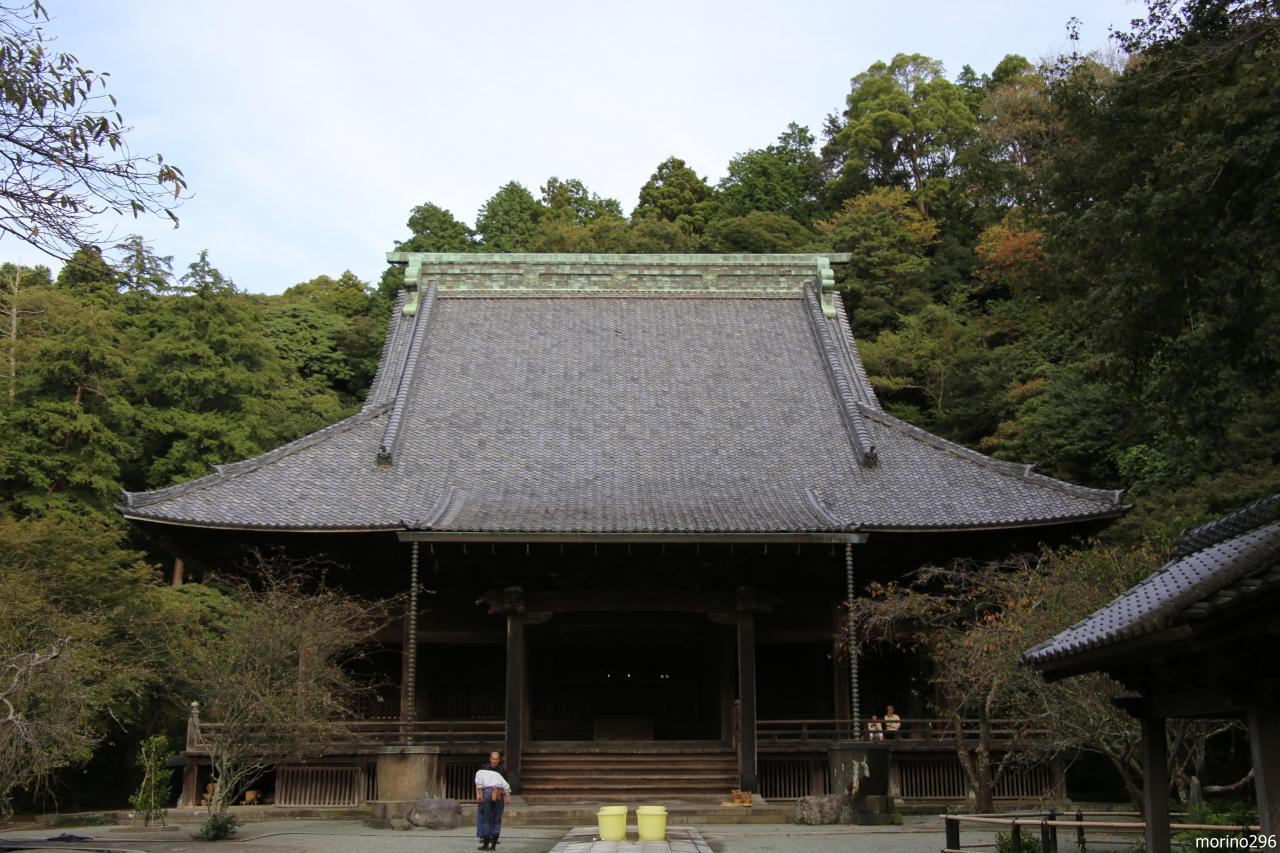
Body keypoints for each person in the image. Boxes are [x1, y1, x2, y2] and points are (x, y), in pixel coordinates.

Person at [475, 752, 511, 851]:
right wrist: (479, 794)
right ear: (490, 759)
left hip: (498, 793)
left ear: (499, 760)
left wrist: (507, 796)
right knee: (485, 818)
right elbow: (479, 784)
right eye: (493, 759)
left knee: (496, 819)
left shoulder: (501, 769)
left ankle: (493, 845)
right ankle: (485, 840)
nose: (494, 761)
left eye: (496, 759)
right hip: (487, 792)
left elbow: (505, 784)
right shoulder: (484, 768)